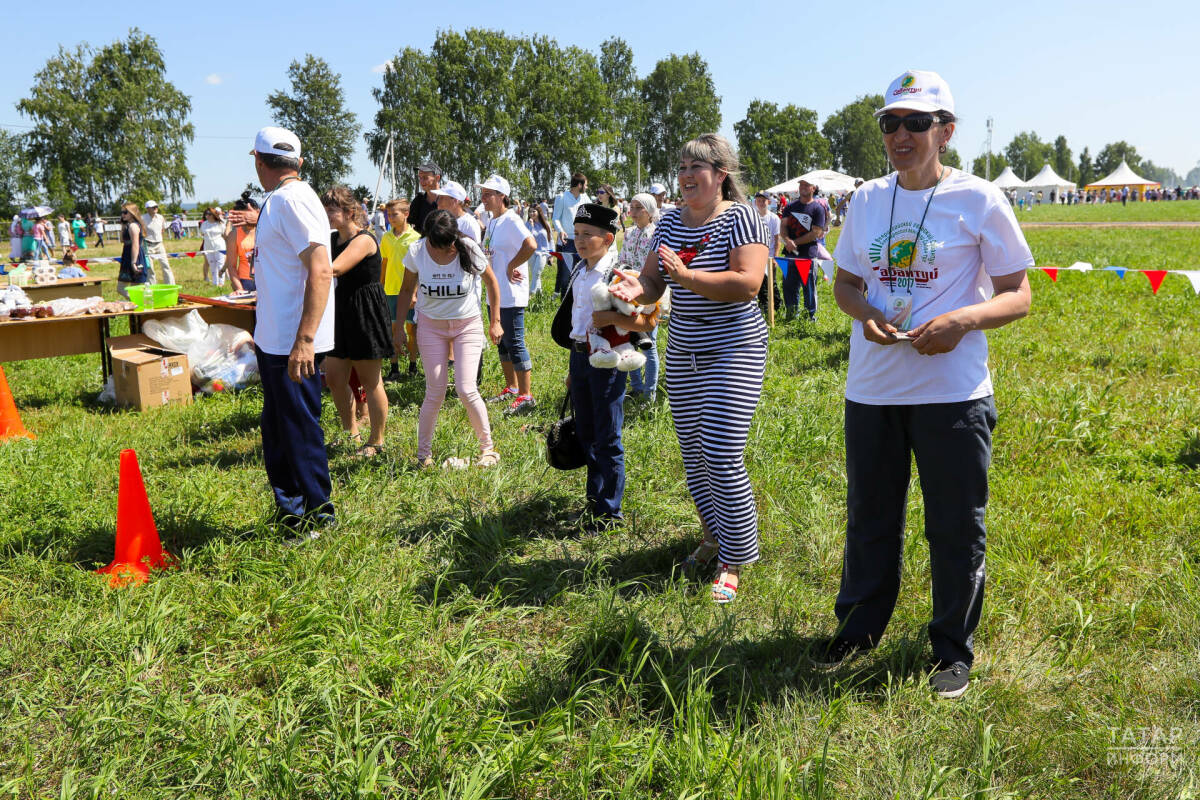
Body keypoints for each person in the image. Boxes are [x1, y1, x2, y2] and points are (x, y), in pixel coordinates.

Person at [813, 70, 1033, 700]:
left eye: (916, 122)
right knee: (871, 516)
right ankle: (858, 629)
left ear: (946, 131)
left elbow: (1019, 295)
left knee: (955, 525)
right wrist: (869, 316)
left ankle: (951, 650)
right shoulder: (865, 200)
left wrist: (964, 319)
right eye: (890, 123)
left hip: (954, 395)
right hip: (874, 389)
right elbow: (845, 285)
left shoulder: (981, 199)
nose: (900, 135)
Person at [610, 133, 769, 604]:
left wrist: (687, 278)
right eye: (680, 167)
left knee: (721, 451)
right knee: (695, 454)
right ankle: (712, 536)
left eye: (695, 167)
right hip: (685, 349)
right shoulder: (669, 223)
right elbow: (655, 284)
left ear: (721, 174)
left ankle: (734, 557)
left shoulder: (741, 218)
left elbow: (747, 283)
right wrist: (632, 288)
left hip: (734, 348)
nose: (684, 176)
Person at [228, 126, 336, 534]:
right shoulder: (280, 199)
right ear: (298, 163)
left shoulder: (294, 200)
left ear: (258, 160)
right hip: (278, 340)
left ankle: (317, 514)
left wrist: (305, 340)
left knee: (298, 429)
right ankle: (291, 511)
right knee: (278, 429)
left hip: (295, 342)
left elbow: (321, 270)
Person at [555, 203, 656, 530]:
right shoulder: (580, 270)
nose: (580, 241)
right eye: (577, 234)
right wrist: (574, 366)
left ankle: (609, 513)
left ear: (608, 239)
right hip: (581, 356)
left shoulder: (621, 273)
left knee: (607, 435)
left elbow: (648, 321)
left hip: (610, 361)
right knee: (586, 433)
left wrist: (612, 317)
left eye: (588, 235)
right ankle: (594, 503)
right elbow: (577, 319)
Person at [395, 209, 503, 469]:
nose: (444, 251)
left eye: (448, 244)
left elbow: (491, 283)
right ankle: (424, 456)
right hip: (431, 328)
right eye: (438, 245)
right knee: (435, 391)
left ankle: (488, 450)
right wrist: (398, 326)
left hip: (467, 326)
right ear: (427, 237)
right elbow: (406, 289)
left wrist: (495, 321)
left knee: (467, 388)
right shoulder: (417, 251)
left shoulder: (468, 248)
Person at [320, 185, 393, 459]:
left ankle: (376, 441)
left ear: (350, 212)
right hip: (340, 309)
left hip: (365, 310)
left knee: (370, 380)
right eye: (324, 209)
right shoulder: (330, 239)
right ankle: (351, 432)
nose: (327, 215)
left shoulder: (364, 240)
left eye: (332, 210)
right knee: (336, 379)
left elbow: (334, 269)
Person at [477, 175, 538, 415]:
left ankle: (526, 396)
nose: (484, 197)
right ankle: (512, 388)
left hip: (511, 294)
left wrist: (512, 265)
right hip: (495, 294)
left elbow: (531, 245)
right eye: (482, 193)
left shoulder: (512, 219)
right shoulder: (492, 221)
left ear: (502, 196)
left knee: (515, 342)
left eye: (489, 193)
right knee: (501, 343)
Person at [619, 192, 662, 402]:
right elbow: (623, 259)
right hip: (629, 292)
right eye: (632, 207)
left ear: (650, 211)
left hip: (650, 293)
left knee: (649, 342)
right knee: (629, 340)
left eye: (638, 208)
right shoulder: (629, 234)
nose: (632, 212)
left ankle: (650, 393)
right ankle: (635, 386)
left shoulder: (657, 234)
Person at [379, 197, 421, 381]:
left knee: (412, 330)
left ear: (406, 214)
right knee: (392, 329)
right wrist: (380, 287)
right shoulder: (386, 237)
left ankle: (413, 365)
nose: (390, 218)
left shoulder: (416, 238)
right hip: (390, 291)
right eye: (388, 215)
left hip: (409, 291)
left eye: (394, 214)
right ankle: (394, 367)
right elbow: (385, 263)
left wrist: (415, 292)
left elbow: (420, 268)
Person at [778, 178, 826, 320]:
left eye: (806, 185)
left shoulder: (818, 209)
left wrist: (795, 242)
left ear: (813, 188)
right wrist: (787, 240)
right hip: (790, 255)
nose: (803, 187)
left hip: (808, 256)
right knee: (789, 287)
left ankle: (809, 318)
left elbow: (816, 233)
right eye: (801, 185)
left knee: (809, 288)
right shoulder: (790, 207)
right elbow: (783, 226)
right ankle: (792, 315)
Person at [551, 172, 590, 295]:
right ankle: (564, 305)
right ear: (579, 185)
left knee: (581, 273)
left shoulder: (585, 198)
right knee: (565, 277)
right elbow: (555, 218)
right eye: (586, 185)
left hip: (581, 241)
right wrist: (561, 231)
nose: (587, 188)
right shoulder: (562, 197)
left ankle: (576, 302)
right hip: (566, 242)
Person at [752, 191, 781, 315]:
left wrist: (776, 257)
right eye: (758, 200)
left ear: (768, 202)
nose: (761, 203)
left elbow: (777, 239)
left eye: (763, 200)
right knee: (759, 283)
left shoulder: (773, 218)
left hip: (769, 257)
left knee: (771, 283)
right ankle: (763, 307)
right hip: (756, 256)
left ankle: (778, 306)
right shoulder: (752, 217)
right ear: (755, 202)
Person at [116, 202, 151, 298]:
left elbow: (135, 245)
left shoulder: (133, 226)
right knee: (131, 289)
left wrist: (133, 263)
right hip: (128, 256)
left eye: (125, 212)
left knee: (124, 288)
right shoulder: (128, 225)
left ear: (132, 213)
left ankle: (138, 305)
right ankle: (137, 306)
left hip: (134, 258)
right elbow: (123, 241)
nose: (122, 214)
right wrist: (123, 226)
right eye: (122, 212)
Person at [225, 192, 259, 292]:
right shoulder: (234, 235)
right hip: (246, 282)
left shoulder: (266, 230)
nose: (244, 220)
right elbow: (231, 266)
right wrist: (239, 288)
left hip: (268, 280)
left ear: (256, 212)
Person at [141, 201, 176, 284]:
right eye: (153, 207)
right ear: (147, 209)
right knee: (150, 268)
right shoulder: (142, 218)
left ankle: (170, 285)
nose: (155, 208)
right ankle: (152, 286)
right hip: (147, 245)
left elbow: (162, 230)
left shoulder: (160, 217)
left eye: (156, 206)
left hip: (159, 244)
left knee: (166, 265)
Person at [525, 204, 553, 295]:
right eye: (530, 211)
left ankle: (530, 293)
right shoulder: (527, 224)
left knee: (537, 273)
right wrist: (531, 226)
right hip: (531, 253)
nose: (531, 213)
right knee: (535, 275)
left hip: (543, 253)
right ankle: (539, 294)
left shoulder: (546, 224)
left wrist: (551, 254)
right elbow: (528, 238)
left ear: (538, 212)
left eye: (534, 211)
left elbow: (551, 240)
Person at [408, 161, 442, 235]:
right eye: (420, 178)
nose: (421, 181)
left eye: (425, 178)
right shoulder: (418, 201)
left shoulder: (448, 200)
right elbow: (409, 224)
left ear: (437, 178)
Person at [199, 208, 227, 287]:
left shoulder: (220, 223)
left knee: (220, 264)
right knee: (212, 265)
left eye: (209, 214)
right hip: (208, 247)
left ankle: (221, 282)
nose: (207, 216)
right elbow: (202, 233)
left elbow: (224, 234)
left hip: (219, 246)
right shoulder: (204, 224)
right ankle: (215, 283)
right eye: (206, 214)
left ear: (213, 215)